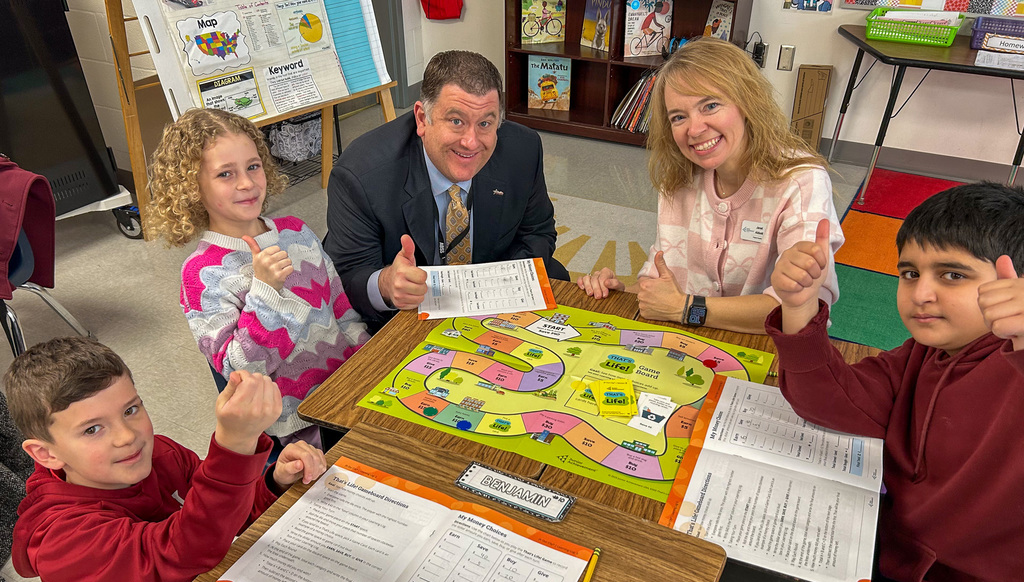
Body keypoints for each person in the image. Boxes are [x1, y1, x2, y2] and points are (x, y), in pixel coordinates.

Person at [758, 182, 1024, 582]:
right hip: (911, 569)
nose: (921, 293)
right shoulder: (925, 353)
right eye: (909, 273)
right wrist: (798, 305)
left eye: (953, 275)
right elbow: (833, 401)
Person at [8, 336, 329, 582]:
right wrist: (234, 445)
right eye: (92, 429)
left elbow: (221, 515)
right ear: (46, 454)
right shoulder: (58, 536)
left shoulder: (159, 454)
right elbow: (175, 555)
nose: (126, 437)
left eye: (131, 410)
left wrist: (273, 483)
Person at [577, 38, 844, 334]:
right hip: (689, 344)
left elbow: (804, 312)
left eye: (710, 105)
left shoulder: (801, 180)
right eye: (678, 117)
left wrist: (687, 309)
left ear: (747, 101)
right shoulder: (680, 177)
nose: (694, 129)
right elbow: (663, 287)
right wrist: (621, 289)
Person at [146, 107, 369, 449]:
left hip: (350, 395)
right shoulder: (201, 275)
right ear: (191, 188)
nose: (247, 183)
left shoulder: (296, 231)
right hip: (297, 430)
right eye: (225, 174)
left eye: (253, 166)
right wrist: (266, 292)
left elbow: (342, 311)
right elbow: (241, 370)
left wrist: (370, 364)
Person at [325, 50, 569, 332]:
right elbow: (345, 276)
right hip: (406, 316)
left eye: (485, 124)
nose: (471, 142)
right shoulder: (361, 175)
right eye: (456, 121)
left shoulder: (522, 149)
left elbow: (538, 232)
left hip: (494, 305)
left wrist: (498, 284)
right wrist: (386, 284)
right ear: (421, 118)